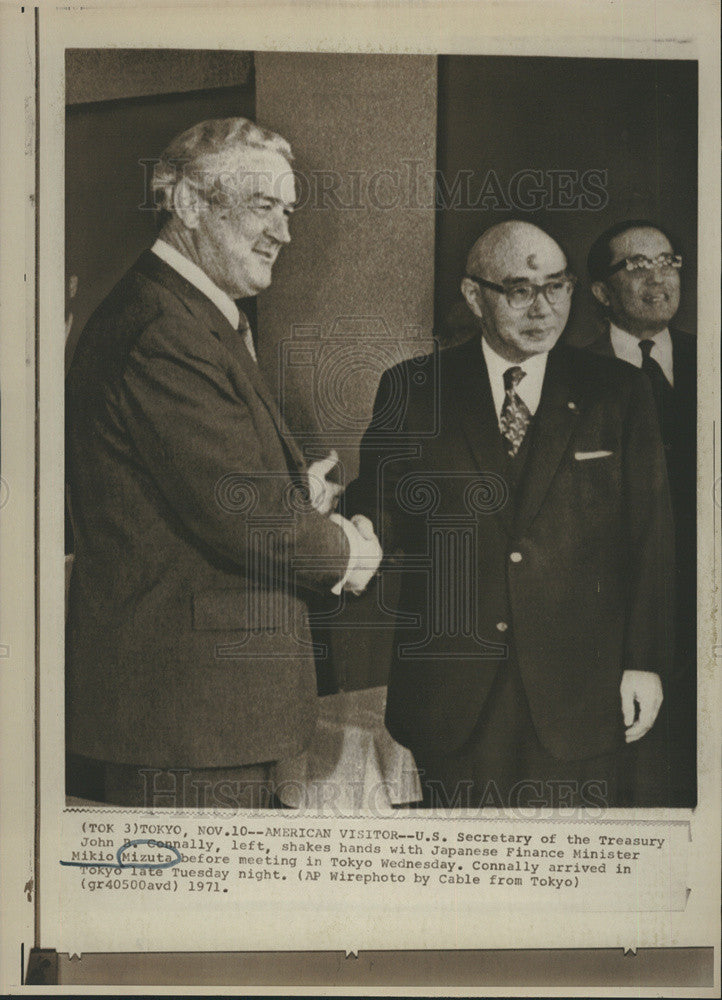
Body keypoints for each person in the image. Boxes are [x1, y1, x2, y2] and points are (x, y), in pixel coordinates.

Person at [65, 117, 381, 808]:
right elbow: (245, 518)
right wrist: (349, 554)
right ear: (185, 204)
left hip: (213, 722)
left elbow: (197, 485)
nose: (285, 233)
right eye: (264, 206)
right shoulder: (163, 331)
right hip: (192, 726)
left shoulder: (192, 315)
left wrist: (295, 486)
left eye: (289, 211)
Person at [348, 220, 674, 809]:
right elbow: (380, 510)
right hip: (453, 699)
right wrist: (343, 520)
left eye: (557, 286)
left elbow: (651, 537)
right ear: (475, 296)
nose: (544, 307)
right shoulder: (414, 389)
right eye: (520, 290)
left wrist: (644, 663)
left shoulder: (619, 391)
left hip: (579, 694)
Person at [587, 220, 697, 805]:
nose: (658, 276)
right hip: (620, 623)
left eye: (668, 260)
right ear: (602, 292)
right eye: (636, 264)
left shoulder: (711, 359)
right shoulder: (571, 373)